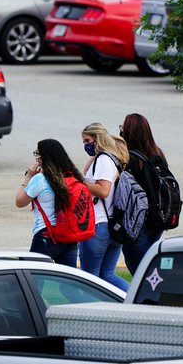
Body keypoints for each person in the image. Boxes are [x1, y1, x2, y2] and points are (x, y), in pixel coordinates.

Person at [15, 139, 83, 267]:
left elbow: (19, 201)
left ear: (42, 158)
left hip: (46, 235)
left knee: (34, 278)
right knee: (67, 282)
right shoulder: (71, 177)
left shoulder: (39, 179)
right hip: (69, 235)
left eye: (37, 153)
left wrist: (28, 176)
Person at [79, 122, 130, 291]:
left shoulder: (103, 161)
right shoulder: (110, 159)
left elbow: (103, 190)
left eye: (87, 141)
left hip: (98, 226)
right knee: (107, 275)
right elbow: (86, 169)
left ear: (97, 139)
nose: (85, 145)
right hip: (112, 227)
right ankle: (133, 301)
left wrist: (81, 184)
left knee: (89, 279)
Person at [120, 113, 167, 275]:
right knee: (150, 270)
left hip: (137, 222)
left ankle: (146, 300)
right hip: (157, 219)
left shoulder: (129, 158)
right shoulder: (157, 153)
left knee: (140, 274)